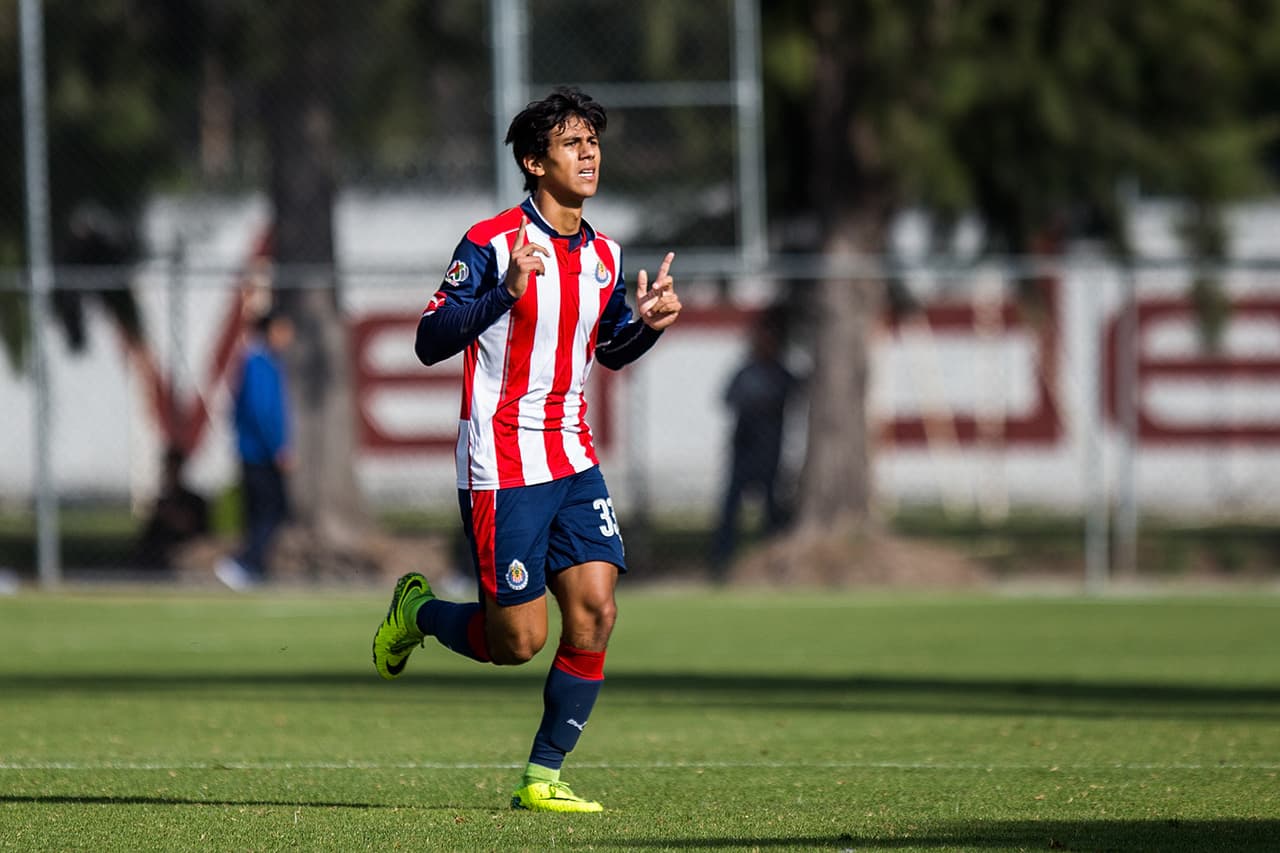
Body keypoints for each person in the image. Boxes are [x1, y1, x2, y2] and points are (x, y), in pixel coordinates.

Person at [371, 87, 682, 814]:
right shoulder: (490, 242)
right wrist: (505, 292)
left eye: (594, 142)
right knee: (517, 641)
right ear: (533, 162)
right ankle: (417, 612)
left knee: (598, 610)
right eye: (573, 143)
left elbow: (606, 349)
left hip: (572, 456)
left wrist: (650, 324)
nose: (589, 153)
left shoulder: (604, 254)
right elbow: (427, 341)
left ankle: (543, 775)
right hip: (501, 461)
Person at [710, 315, 797, 575]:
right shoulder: (746, 372)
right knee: (730, 510)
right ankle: (721, 562)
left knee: (772, 511)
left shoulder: (781, 374)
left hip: (770, 453)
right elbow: (728, 398)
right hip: (743, 452)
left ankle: (772, 561)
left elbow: (791, 395)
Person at [215, 309, 295, 590]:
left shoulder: (269, 363)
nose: (288, 337)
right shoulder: (258, 363)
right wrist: (278, 447)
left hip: (257, 450)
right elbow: (262, 411)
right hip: (258, 453)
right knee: (272, 508)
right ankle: (245, 563)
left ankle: (253, 565)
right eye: (283, 330)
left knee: (264, 512)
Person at [134, 446, 210, 570]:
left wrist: (170, 514)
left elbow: (199, 533)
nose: (169, 473)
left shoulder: (195, 502)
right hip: (158, 558)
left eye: (173, 468)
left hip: (188, 553)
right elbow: (147, 540)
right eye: (167, 468)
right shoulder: (160, 502)